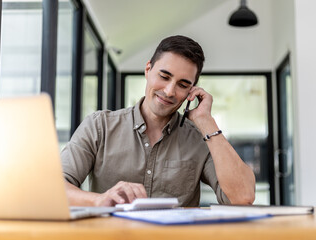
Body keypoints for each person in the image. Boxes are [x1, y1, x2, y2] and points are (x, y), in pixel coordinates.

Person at [61, 35, 255, 207]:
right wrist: (99, 200)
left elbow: (242, 196)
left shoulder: (200, 138)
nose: (170, 91)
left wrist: (206, 121)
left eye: (183, 84)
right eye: (164, 76)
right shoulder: (99, 126)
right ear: (148, 69)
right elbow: (54, 187)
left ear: (192, 91)